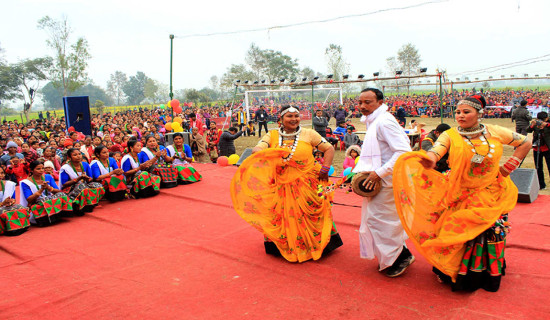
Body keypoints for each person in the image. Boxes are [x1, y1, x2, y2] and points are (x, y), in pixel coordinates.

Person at [394, 95, 531, 292]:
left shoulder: (494, 131)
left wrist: (507, 168)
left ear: (479, 114)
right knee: (455, 232)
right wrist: (430, 160)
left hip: (491, 191)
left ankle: (485, 272)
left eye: (466, 112)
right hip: (460, 193)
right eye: (458, 112)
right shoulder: (449, 135)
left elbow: (525, 143)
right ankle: (452, 270)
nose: (460, 115)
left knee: (488, 232)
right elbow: (436, 150)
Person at [231, 105, 343, 262]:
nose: (294, 119)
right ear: (281, 119)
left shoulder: (309, 133)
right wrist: (261, 151)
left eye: (296, 116)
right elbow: (259, 148)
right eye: (289, 116)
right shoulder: (272, 135)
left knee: (311, 214)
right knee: (283, 216)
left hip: (307, 183)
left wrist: (325, 168)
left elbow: (329, 148)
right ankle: (289, 245)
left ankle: (315, 244)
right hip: (281, 184)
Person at [353, 88, 413, 278]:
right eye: (360, 102)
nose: (363, 106)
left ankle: (397, 259)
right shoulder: (374, 121)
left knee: (380, 221)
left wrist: (378, 173)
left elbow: (403, 151)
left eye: (368, 102)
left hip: (387, 181)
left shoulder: (384, 121)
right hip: (380, 181)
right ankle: (399, 254)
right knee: (382, 220)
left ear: (380, 102)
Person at [20, 160, 72, 226]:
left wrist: (48, 187)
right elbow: (29, 199)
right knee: (45, 201)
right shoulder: (26, 182)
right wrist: (41, 189)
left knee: (62, 195)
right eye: (38, 169)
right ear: (32, 170)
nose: (41, 170)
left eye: (42, 168)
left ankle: (60, 215)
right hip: (37, 203)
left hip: (50, 199)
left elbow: (58, 191)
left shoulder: (48, 177)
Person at [59, 148, 105, 215]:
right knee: (81, 185)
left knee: (98, 186)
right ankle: (78, 206)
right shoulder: (65, 168)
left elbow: (91, 178)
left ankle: (91, 203)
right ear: (69, 157)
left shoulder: (85, 164)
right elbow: (64, 184)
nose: (78, 156)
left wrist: (87, 179)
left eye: (79, 154)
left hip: (84, 184)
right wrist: (78, 179)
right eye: (75, 155)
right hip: (70, 189)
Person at [0, 166, 30, 236]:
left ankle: (18, 228)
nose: (0, 175)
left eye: (2, 173)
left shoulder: (9, 184)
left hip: (5, 207)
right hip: (2, 207)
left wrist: (11, 202)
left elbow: (13, 199)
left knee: (21, 208)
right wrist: (2, 203)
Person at [526, 111, 550, 190]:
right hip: (537, 148)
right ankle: (541, 184)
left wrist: (546, 125)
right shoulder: (536, 124)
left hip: (547, 148)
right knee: (538, 167)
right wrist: (532, 125)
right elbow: (528, 130)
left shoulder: (548, 124)